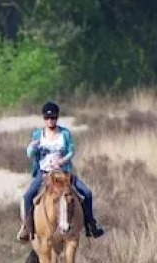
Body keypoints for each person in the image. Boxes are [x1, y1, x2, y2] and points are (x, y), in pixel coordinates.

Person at [18, 101, 105, 242]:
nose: (50, 121)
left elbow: (71, 151)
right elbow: (29, 153)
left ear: (57, 118)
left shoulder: (65, 134)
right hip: (45, 173)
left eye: (53, 118)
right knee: (28, 196)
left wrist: (62, 161)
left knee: (87, 193)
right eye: (47, 118)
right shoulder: (38, 135)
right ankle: (28, 227)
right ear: (43, 119)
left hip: (63, 173)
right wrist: (32, 147)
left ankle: (91, 224)